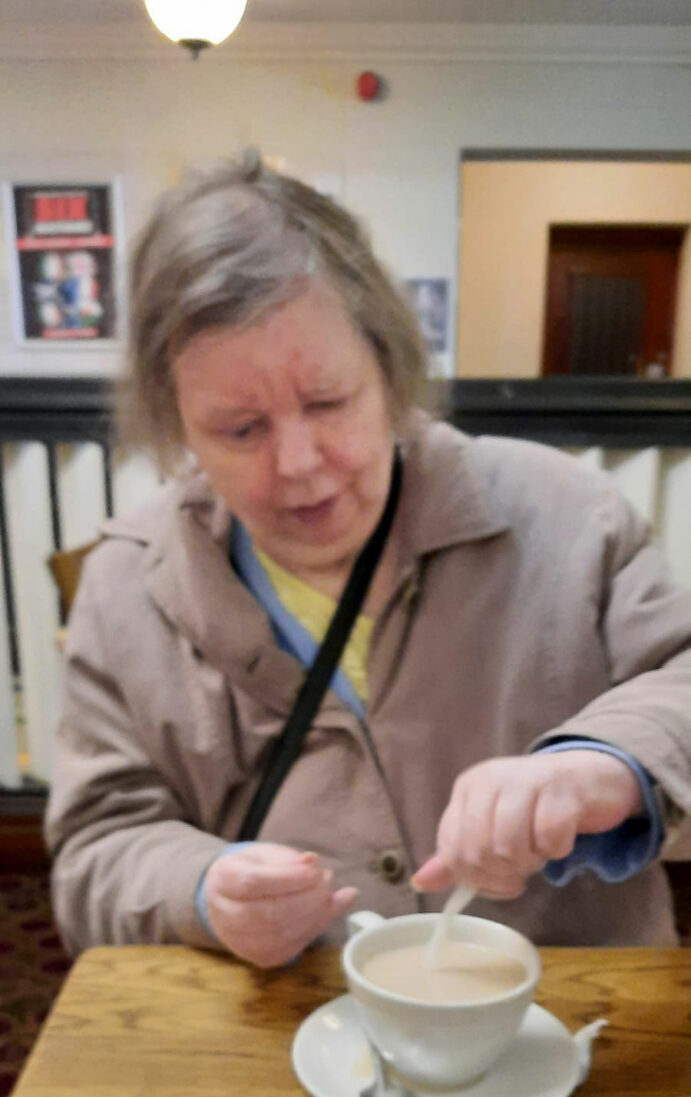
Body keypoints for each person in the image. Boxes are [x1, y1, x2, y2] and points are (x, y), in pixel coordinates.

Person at [46, 153, 691, 966]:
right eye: (240, 429)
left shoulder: (567, 517)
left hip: (568, 1010)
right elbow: (94, 852)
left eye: (328, 402)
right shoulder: (124, 588)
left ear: (389, 373)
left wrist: (606, 764)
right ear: (176, 427)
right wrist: (200, 890)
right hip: (297, 1020)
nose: (298, 464)